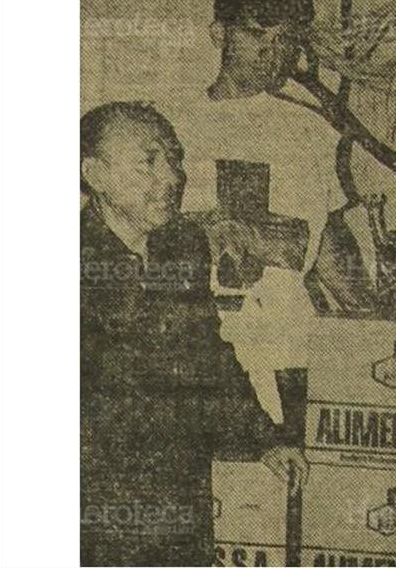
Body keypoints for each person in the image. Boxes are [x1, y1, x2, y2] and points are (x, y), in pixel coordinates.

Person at [80, 101, 307, 566]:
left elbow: (209, 354)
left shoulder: (182, 245)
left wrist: (265, 436)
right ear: (95, 175)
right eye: (149, 161)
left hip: (179, 485)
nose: (172, 177)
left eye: (173, 159)